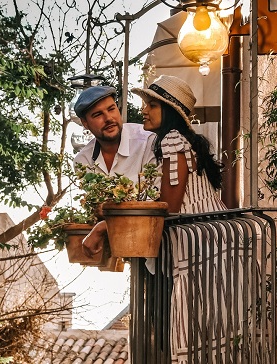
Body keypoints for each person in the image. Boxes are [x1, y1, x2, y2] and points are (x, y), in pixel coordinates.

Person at [131, 75, 228, 363]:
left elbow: (169, 206)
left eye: (151, 105)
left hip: (191, 246)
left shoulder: (173, 140)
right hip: (207, 244)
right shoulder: (183, 142)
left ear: (170, 110)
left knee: (183, 325)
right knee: (205, 324)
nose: (143, 110)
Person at [72, 85, 157, 257]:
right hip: (129, 250)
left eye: (111, 109)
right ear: (85, 123)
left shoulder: (147, 140)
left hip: (159, 242)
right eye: (98, 115)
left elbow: (154, 201)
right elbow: (98, 209)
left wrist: (104, 224)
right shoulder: (83, 161)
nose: (108, 118)